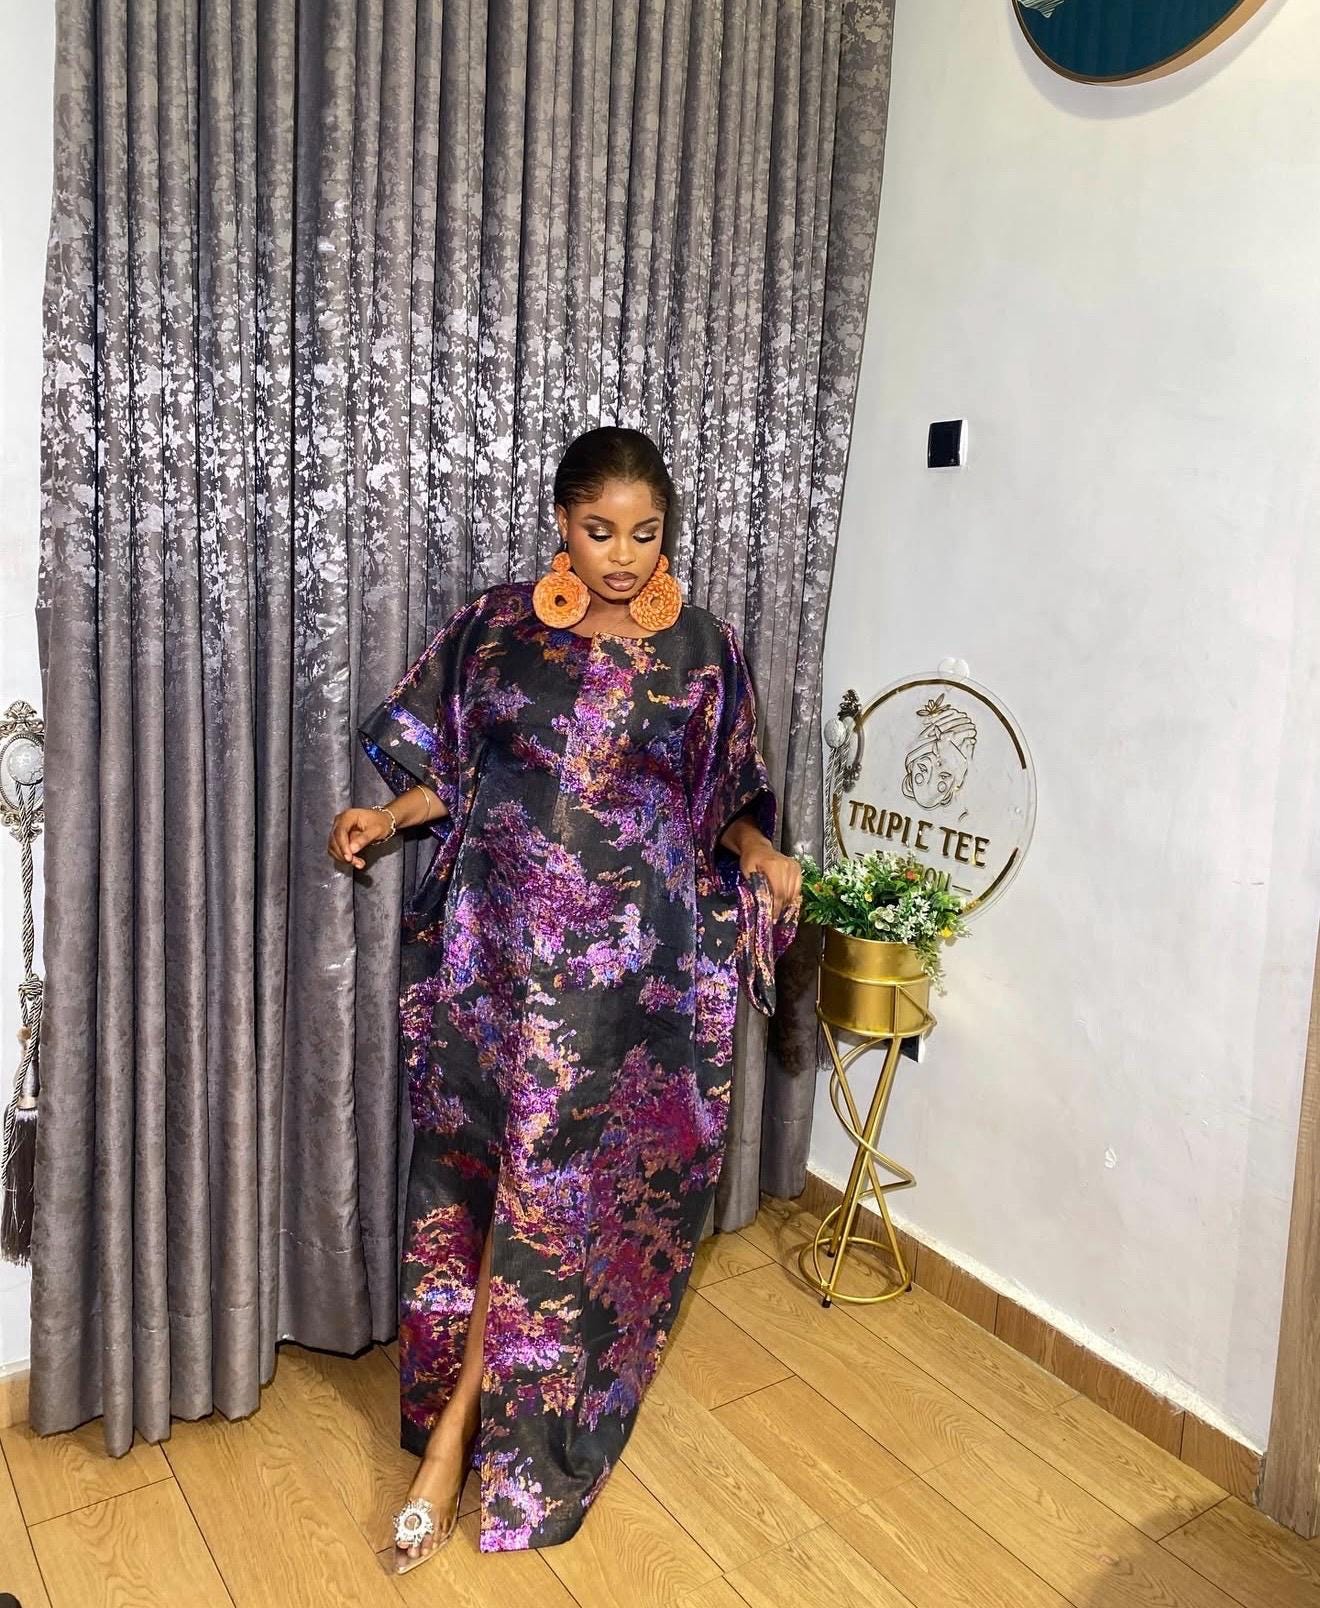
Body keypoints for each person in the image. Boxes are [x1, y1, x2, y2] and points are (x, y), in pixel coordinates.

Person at [327, 425, 802, 1570]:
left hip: (621, 981)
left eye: (645, 533)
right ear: (561, 524)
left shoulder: (706, 652)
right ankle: (460, 1410)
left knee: (549, 1191)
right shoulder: (494, 630)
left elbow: (722, 805)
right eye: (600, 531)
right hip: (493, 958)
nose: (623, 556)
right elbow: (455, 773)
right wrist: (384, 817)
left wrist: (764, 856)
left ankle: (457, 1446)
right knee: (478, 1174)